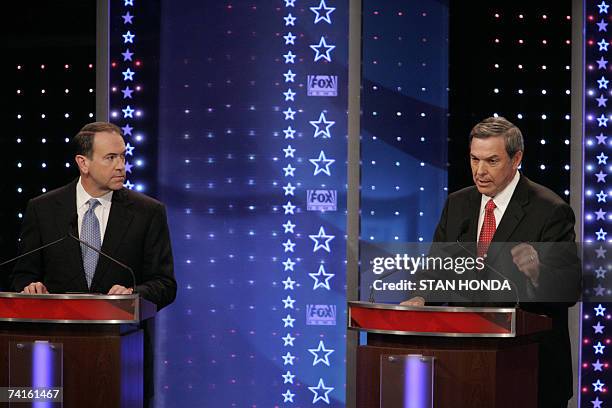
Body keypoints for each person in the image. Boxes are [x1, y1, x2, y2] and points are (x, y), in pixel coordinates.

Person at [401, 116, 580, 408]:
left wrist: (538, 271)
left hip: (531, 371)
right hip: (465, 367)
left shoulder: (549, 210)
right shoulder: (458, 205)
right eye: (474, 159)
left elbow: (570, 288)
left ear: (516, 158)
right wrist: (422, 296)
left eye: (492, 161)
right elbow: (436, 268)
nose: (479, 171)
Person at [11, 122, 177, 309]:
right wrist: (31, 287)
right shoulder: (42, 209)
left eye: (123, 156)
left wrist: (132, 294)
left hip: (120, 334)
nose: (121, 166)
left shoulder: (148, 211)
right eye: (111, 157)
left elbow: (165, 285)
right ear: (83, 163)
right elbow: (22, 275)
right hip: (57, 332)